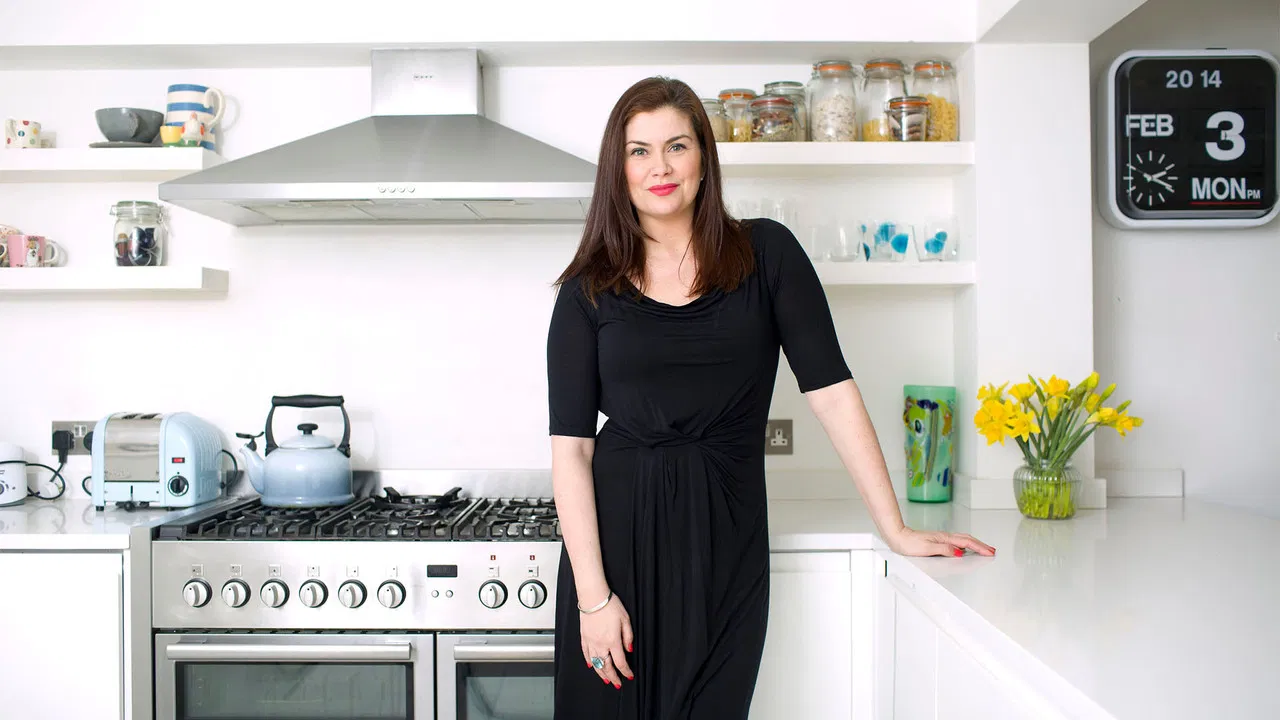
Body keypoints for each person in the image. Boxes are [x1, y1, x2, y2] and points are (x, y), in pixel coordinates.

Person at [545, 76, 995, 720]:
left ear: (705, 157)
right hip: (615, 553)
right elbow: (572, 451)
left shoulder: (767, 253)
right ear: (618, 170)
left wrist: (894, 527)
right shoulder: (588, 288)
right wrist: (593, 598)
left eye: (677, 146)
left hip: (728, 544)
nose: (660, 167)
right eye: (638, 151)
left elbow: (833, 394)